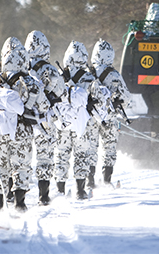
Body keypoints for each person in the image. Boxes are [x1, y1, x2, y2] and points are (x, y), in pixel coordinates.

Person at [0, 37, 50, 212]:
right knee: (21, 165)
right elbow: (44, 105)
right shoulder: (30, 82)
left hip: (0, 129)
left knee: (0, 164)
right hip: (21, 130)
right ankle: (20, 202)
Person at [55, 41, 108, 200]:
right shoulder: (90, 78)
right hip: (83, 123)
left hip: (63, 122)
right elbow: (100, 101)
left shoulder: (59, 76)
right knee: (81, 156)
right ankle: (80, 190)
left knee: (61, 156)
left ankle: (60, 190)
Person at [24, 30, 67, 205]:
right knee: (44, 157)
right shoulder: (50, 70)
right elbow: (62, 93)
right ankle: (43, 195)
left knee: (21, 157)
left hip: (24, 119)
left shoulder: (21, 68)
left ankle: (16, 194)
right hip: (44, 120)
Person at [89, 39, 132, 186]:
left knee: (91, 148)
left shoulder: (87, 73)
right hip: (110, 118)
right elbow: (126, 98)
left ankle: (89, 182)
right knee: (109, 148)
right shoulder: (114, 75)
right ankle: (107, 181)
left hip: (92, 118)